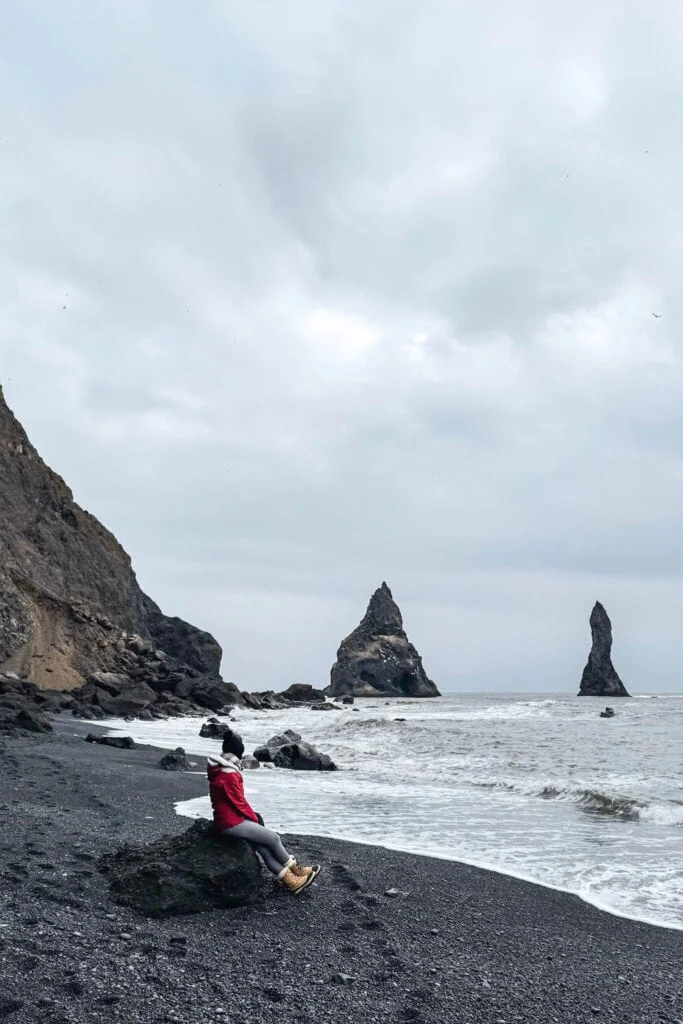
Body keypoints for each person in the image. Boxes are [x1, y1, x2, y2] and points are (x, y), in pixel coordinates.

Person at [207, 729, 320, 894]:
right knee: (273, 838)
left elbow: (235, 802)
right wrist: (253, 818)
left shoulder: (220, 768)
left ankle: (292, 882)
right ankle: (297, 870)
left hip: (228, 819)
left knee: (264, 847)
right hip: (231, 822)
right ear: (239, 752)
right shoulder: (228, 773)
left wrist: (252, 818)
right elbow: (239, 802)